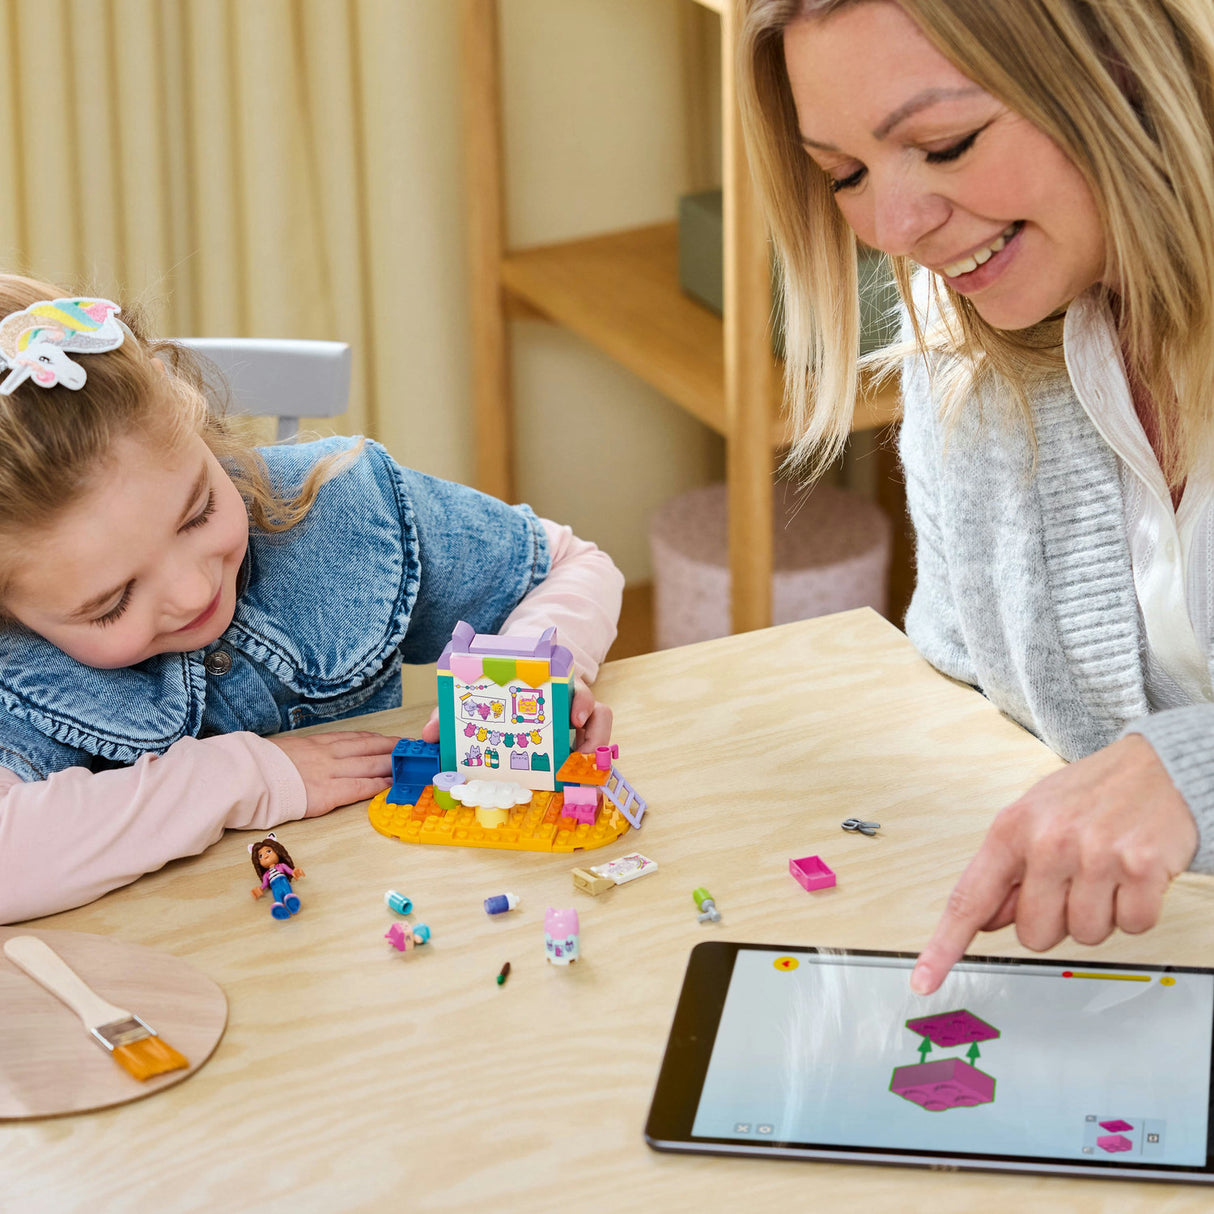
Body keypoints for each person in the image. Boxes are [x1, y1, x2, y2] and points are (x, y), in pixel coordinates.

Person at [738, 0, 1214, 991]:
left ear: (1117, 67)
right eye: (845, 174)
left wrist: (1187, 771)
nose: (896, 227)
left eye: (944, 144)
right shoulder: (959, 350)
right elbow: (964, 683)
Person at [0, 274, 623, 922]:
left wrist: (527, 675)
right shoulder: (13, 665)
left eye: (198, 513)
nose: (192, 591)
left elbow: (570, 564)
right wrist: (244, 779)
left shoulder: (344, 509)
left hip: (378, 922)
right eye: (112, 601)